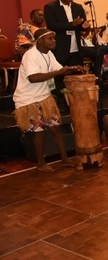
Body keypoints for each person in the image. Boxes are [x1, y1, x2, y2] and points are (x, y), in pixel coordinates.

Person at [13, 29, 85, 172]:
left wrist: (73, 68)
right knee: (40, 132)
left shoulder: (48, 54)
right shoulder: (30, 55)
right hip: (29, 100)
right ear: (40, 41)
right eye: (50, 39)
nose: (54, 41)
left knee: (56, 128)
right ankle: (41, 163)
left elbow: (59, 70)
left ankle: (64, 159)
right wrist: (58, 72)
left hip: (44, 97)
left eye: (54, 38)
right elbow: (33, 78)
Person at [43, 0, 91, 111]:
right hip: (61, 48)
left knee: (75, 74)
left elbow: (80, 26)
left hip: (76, 47)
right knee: (60, 76)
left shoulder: (78, 7)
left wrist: (85, 26)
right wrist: (71, 24)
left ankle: (76, 102)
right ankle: (62, 104)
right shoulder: (50, 7)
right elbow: (53, 26)